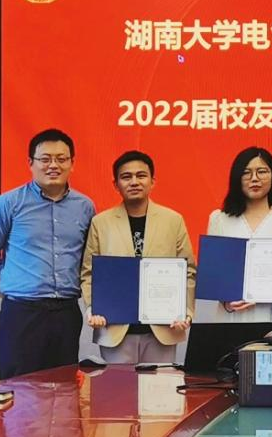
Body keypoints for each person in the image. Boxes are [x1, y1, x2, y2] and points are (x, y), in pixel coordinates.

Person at [0, 129, 95, 379]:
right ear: (31, 163)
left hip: (66, 313)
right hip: (22, 314)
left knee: (63, 387)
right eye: (45, 159)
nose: (53, 165)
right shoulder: (8, 203)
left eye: (61, 159)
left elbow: (88, 261)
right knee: (19, 387)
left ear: (72, 163)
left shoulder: (85, 207)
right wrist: (11, 293)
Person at [190, 147, 272, 357]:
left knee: (271, 370)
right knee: (229, 370)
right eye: (246, 172)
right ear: (236, 178)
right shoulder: (220, 219)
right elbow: (214, 271)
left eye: (262, 171)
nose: (254, 178)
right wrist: (225, 298)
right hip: (230, 314)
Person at [80, 151, 195, 364]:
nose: (134, 182)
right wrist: (93, 308)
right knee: (117, 386)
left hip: (163, 328)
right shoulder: (101, 222)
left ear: (152, 181)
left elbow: (188, 271)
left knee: (162, 385)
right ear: (116, 184)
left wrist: (185, 311)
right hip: (114, 328)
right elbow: (89, 272)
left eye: (141, 175)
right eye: (126, 177)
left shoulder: (173, 220)